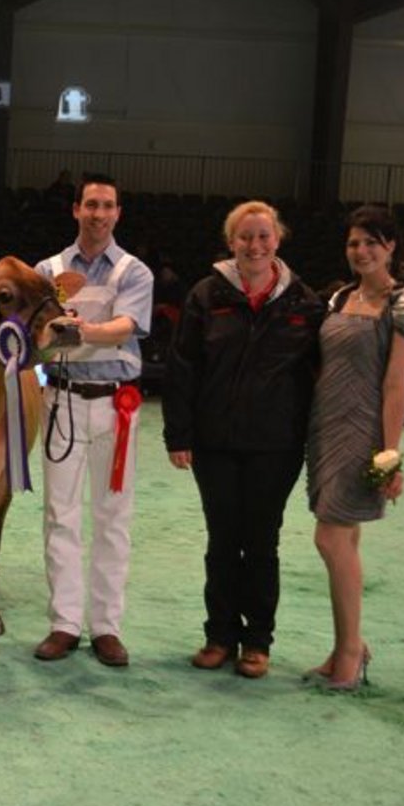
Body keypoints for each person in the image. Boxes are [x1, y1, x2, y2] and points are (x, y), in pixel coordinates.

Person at [162, 201, 324, 678]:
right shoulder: (206, 295)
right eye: (245, 237)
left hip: (277, 446)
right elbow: (183, 367)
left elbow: (320, 375)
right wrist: (179, 433)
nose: (254, 245)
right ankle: (219, 636)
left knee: (261, 542)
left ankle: (257, 642)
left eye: (263, 236)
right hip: (215, 443)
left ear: (278, 240)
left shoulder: (305, 303)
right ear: (230, 242)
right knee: (221, 540)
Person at [33, 174, 154, 667]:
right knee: (59, 514)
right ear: (76, 210)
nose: (98, 213)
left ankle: (106, 626)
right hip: (60, 399)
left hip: (115, 405)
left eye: (107, 205)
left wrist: (77, 330)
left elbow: (126, 328)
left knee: (112, 518)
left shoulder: (134, 271)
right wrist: (84, 334)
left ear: (118, 213)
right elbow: (38, 333)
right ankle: (64, 623)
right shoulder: (47, 270)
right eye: (90, 204)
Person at [306, 205, 404, 691]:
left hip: (363, 433)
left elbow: (397, 384)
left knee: (330, 538)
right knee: (344, 539)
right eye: (354, 243)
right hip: (324, 429)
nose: (361, 251)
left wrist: (388, 456)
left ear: (391, 247)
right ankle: (344, 646)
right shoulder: (338, 299)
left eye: (371, 242)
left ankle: (352, 649)